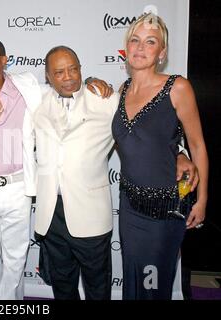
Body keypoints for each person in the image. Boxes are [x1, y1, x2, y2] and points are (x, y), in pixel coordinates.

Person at [33, 45, 199, 300]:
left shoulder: (106, 100)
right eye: (59, 72)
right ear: (48, 76)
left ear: (81, 69)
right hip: (50, 213)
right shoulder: (37, 103)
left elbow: (146, 131)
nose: (68, 77)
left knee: (97, 286)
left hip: (90, 213)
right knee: (62, 285)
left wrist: (179, 152)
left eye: (73, 69)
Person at [0, 37, 114, 300]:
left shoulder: (28, 87)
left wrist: (92, 81)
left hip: (20, 188)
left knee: (16, 261)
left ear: (4, 59)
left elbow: (68, 86)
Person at [112, 13, 209, 300]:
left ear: (162, 52)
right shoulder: (122, 91)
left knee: (152, 284)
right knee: (133, 277)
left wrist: (202, 199)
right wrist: (178, 153)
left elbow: (198, 146)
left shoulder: (178, 88)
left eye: (150, 42)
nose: (140, 48)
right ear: (126, 47)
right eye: (135, 40)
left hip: (164, 209)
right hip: (129, 206)